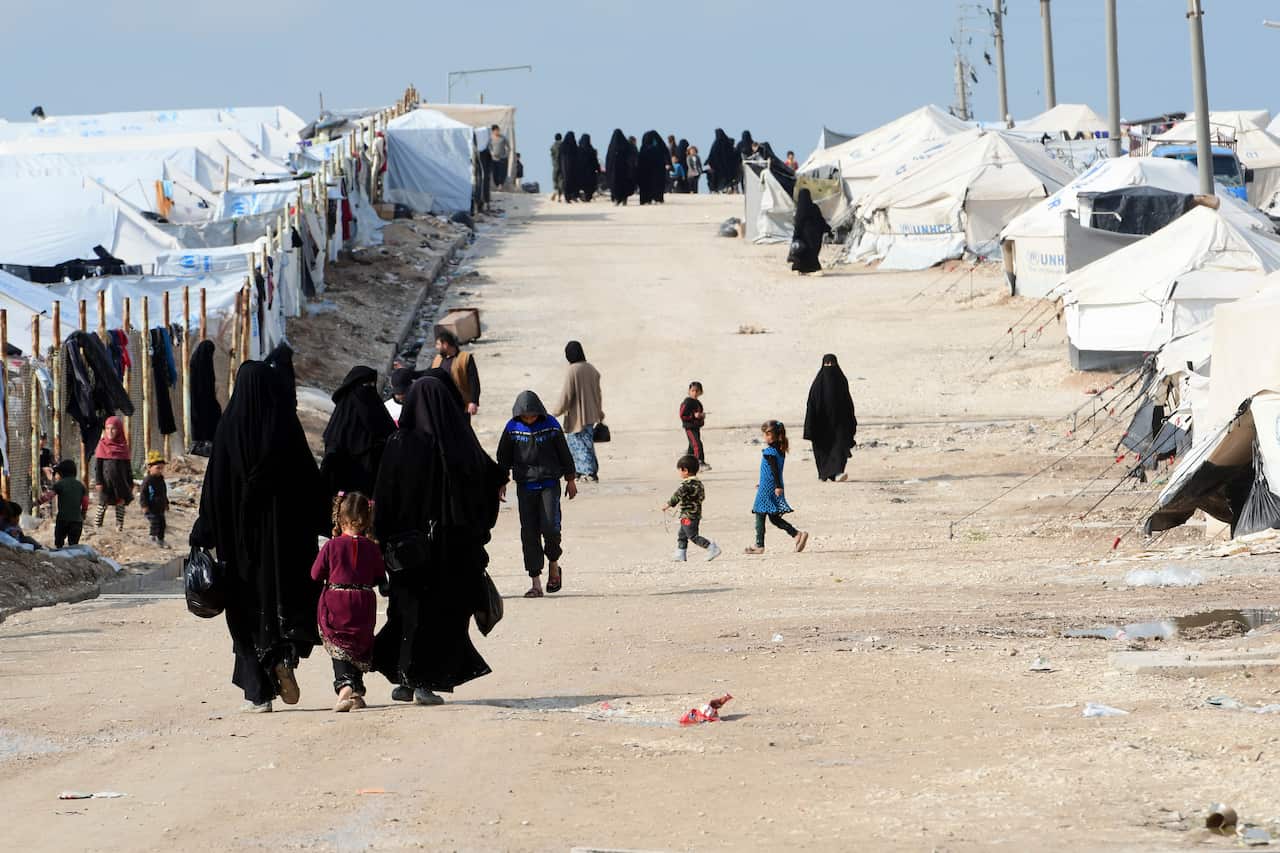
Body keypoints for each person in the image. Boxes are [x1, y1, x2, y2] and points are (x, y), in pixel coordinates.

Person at [190, 360, 331, 713]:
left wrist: (203, 531)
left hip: (240, 550)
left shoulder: (229, 429)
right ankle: (282, 657)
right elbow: (311, 486)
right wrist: (329, 524)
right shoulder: (285, 428)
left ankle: (258, 693)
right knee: (284, 605)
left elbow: (215, 489)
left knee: (245, 612)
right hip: (287, 546)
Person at [373, 371, 507, 706]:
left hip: (405, 552)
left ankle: (405, 678)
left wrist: (383, 543)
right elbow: (486, 480)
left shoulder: (398, 444)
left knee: (405, 612)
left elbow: (384, 500)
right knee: (439, 615)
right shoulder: (457, 443)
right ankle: (422, 681)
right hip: (448, 552)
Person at [497, 391, 577, 598]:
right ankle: (535, 582)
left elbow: (563, 451)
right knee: (529, 532)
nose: (530, 419)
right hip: (525, 486)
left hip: (550, 483)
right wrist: (501, 481)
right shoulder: (512, 428)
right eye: (526, 416)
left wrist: (570, 479)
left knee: (551, 527)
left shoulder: (550, 424)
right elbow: (503, 457)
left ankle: (553, 564)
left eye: (533, 415)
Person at [312, 492, 385, 713]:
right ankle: (356, 691)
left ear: (340, 518)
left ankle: (344, 687)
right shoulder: (372, 547)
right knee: (358, 642)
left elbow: (315, 574)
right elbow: (380, 576)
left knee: (339, 643)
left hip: (336, 599)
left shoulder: (331, 547)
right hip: (363, 601)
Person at [321, 365, 396, 497]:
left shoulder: (377, 411)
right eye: (366, 385)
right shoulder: (341, 421)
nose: (369, 389)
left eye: (372, 385)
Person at [745, 420, 809, 555]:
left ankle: (759, 545)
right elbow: (769, 470)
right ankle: (797, 534)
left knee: (759, 513)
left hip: (770, 487)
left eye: (768, 435)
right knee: (773, 517)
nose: (766, 438)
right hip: (769, 485)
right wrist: (762, 483)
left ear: (776, 435)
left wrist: (777, 486)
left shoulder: (770, 451)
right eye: (765, 435)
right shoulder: (780, 449)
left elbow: (774, 470)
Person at [553, 341, 604, 482]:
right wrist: (599, 412)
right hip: (591, 414)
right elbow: (598, 394)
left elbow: (566, 395)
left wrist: (555, 412)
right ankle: (588, 471)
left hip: (577, 416)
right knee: (587, 443)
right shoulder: (591, 369)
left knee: (577, 444)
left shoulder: (572, 370)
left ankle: (586, 472)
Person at [804, 354, 858, 482]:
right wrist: (810, 426)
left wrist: (851, 422)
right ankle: (824, 473)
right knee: (823, 449)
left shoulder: (841, 381)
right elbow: (811, 405)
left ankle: (838, 472)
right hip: (821, 424)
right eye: (827, 365)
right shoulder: (817, 384)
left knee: (839, 447)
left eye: (832, 364)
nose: (829, 367)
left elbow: (848, 403)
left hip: (840, 424)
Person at [661, 455, 721, 562]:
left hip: (688, 514)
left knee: (692, 535)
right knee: (682, 534)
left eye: (680, 471)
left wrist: (668, 505)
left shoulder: (686, 485)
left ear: (685, 470)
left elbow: (677, 496)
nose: (679, 473)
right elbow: (702, 497)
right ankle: (681, 553)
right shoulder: (699, 483)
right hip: (696, 513)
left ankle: (711, 547)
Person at [93, 416, 133, 532]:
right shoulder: (102, 445)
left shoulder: (123, 446)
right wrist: (99, 481)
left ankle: (119, 526)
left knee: (120, 504)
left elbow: (127, 467)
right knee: (102, 504)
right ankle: (97, 526)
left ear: (119, 430)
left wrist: (130, 482)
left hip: (121, 482)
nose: (110, 432)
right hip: (106, 482)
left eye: (113, 429)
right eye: (107, 429)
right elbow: (98, 467)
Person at [430, 329, 480, 416]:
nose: (436, 347)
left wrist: (473, 401)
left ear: (445, 344)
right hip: (442, 405)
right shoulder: (438, 359)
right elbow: (427, 373)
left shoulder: (465, 358)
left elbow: (474, 381)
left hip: (460, 405)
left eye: (438, 344)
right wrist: (407, 373)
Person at [39, 459, 87, 548]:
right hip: (77, 520)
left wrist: (39, 501)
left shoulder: (60, 484)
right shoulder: (81, 485)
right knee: (73, 544)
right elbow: (85, 502)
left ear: (61, 473)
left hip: (63, 519)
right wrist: (83, 513)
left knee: (59, 542)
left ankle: (60, 552)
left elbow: (49, 496)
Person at [789, 188, 832, 275]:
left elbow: (798, 224)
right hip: (815, 238)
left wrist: (795, 236)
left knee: (803, 253)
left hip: (804, 237)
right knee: (812, 253)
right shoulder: (814, 207)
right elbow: (821, 221)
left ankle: (805, 269)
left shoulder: (801, 209)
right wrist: (828, 230)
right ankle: (809, 269)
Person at [139, 451, 169, 547]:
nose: (160, 470)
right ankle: (153, 538)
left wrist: (166, 503)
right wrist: (144, 506)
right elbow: (143, 494)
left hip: (160, 507)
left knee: (162, 524)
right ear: (150, 468)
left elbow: (164, 492)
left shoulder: (161, 479)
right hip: (151, 507)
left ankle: (161, 540)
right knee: (154, 522)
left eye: (162, 468)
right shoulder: (148, 481)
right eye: (158, 468)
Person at [680, 381, 710, 470]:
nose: (695, 393)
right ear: (689, 391)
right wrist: (693, 416)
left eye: (697, 391)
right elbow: (682, 415)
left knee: (692, 447)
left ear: (701, 392)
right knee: (697, 444)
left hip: (696, 427)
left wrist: (701, 417)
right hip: (689, 427)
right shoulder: (687, 402)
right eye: (693, 391)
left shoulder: (698, 403)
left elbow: (698, 416)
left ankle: (686, 465)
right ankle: (699, 462)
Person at [605, 128, 638, 205]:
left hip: (615, 173)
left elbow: (608, 161)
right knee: (624, 185)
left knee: (616, 185)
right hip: (624, 171)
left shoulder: (611, 147)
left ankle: (617, 199)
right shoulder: (627, 146)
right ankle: (623, 199)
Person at [637, 131, 668, 205]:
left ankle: (646, 199)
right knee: (657, 183)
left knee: (646, 184)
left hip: (646, 172)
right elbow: (666, 155)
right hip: (657, 171)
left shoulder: (643, 148)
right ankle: (657, 198)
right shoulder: (660, 147)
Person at [706, 128, 736, 193]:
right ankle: (723, 189)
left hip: (718, 165)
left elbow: (712, 155)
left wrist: (709, 162)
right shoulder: (726, 142)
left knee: (718, 177)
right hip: (725, 165)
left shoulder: (716, 144)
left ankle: (717, 189)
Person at [577, 133, 601, 202]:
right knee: (590, 186)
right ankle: (587, 196)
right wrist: (598, 169)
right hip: (590, 173)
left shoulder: (578, 150)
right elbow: (595, 162)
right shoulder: (591, 150)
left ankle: (582, 196)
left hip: (580, 172)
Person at [558, 131, 580, 202]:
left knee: (566, 181)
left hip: (564, 168)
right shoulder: (574, 146)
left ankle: (567, 197)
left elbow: (559, 158)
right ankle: (573, 196)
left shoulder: (562, 146)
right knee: (574, 181)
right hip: (574, 168)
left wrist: (560, 167)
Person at [550, 133, 563, 201]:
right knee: (561, 179)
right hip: (562, 165)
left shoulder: (553, 146)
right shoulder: (563, 145)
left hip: (555, 165)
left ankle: (555, 190)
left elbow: (552, 156)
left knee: (555, 179)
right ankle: (559, 196)